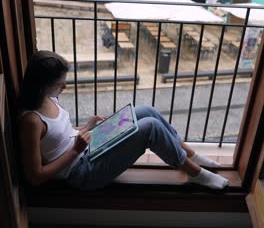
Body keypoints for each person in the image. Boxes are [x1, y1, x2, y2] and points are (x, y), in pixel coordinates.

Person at [18, 50, 229, 190]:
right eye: (59, 84)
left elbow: (58, 134)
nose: (64, 88)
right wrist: (75, 149)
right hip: (80, 172)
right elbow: (35, 176)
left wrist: (87, 126)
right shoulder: (31, 121)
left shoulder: (50, 97)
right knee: (150, 128)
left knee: (147, 110)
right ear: (41, 84)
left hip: (88, 145)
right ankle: (194, 172)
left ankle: (192, 155)